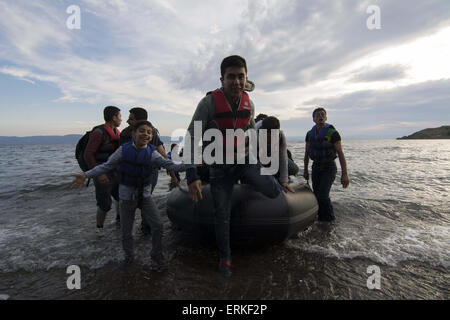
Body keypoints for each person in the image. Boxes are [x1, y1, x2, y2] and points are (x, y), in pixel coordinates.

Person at [185, 55, 282, 277]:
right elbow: (191, 137)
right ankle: (225, 256)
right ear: (222, 79)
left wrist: (258, 159)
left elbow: (250, 130)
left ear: (246, 78)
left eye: (241, 77)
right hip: (220, 167)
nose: (236, 82)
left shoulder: (250, 102)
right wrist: (191, 175)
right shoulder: (208, 103)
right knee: (222, 215)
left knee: (274, 190)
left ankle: (247, 181)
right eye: (231, 77)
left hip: (245, 160)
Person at [71, 120, 186, 270]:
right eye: (142, 131)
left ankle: (156, 254)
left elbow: (170, 165)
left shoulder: (152, 153)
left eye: (149, 132)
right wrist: (85, 175)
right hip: (126, 197)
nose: (145, 134)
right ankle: (129, 258)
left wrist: (192, 165)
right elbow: (106, 166)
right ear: (133, 134)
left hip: (145, 196)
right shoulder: (123, 151)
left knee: (158, 226)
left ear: (151, 137)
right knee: (127, 232)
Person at [120, 107, 179, 234]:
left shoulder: (127, 133)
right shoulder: (144, 132)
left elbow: (162, 155)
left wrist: (173, 174)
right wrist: (173, 176)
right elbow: (163, 154)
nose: (127, 121)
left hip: (141, 174)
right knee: (143, 200)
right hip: (141, 173)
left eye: (131, 119)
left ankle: (137, 229)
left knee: (139, 200)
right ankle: (143, 229)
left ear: (139, 120)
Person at [303, 107, 349, 222]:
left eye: (323, 115)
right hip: (316, 167)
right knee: (316, 195)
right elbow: (307, 153)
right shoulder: (309, 134)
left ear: (326, 118)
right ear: (313, 119)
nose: (321, 117)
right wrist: (305, 171)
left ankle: (329, 220)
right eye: (317, 115)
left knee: (323, 195)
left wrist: (345, 175)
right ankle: (320, 220)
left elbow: (340, 153)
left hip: (329, 167)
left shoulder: (333, 133)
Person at [83, 105, 122, 235]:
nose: (121, 119)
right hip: (102, 172)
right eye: (119, 116)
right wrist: (99, 174)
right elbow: (88, 155)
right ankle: (99, 229)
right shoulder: (98, 133)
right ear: (113, 117)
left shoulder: (117, 132)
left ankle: (119, 221)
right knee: (104, 204)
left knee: (120, 197)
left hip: (116, 172)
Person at [258, 116, 295, 193]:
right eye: (269, 137)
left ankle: (278, 178)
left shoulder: (281, 135)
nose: (271, 140)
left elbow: (283, 157)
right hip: (260, 154)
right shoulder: (254, 133)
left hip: (273, 154)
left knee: (294, 169)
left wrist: (284, 181)